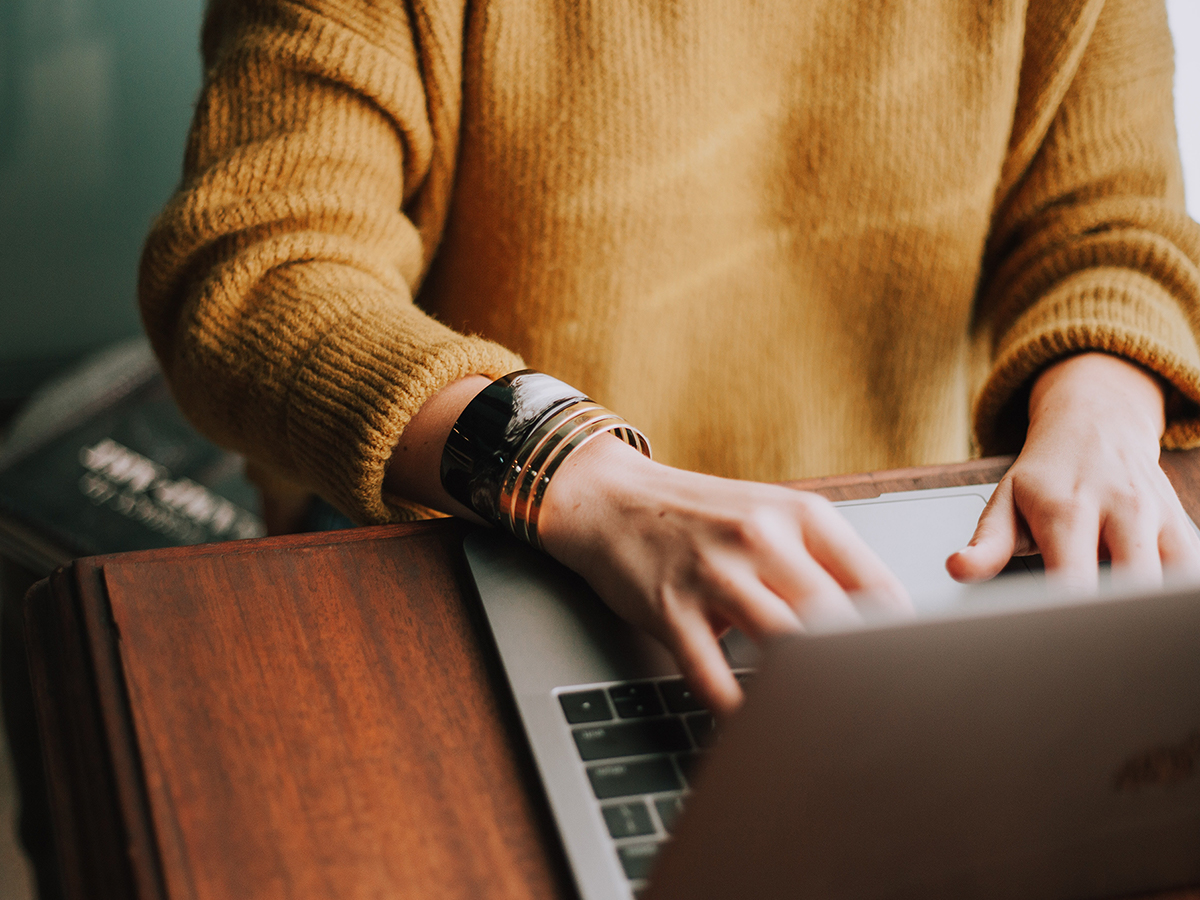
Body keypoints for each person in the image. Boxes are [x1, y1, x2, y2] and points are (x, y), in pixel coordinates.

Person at [140, 0, 1200, 714]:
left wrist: (1103, 413)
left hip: (891, 566)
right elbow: (256, 270)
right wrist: (579, 475)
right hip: (483, 544)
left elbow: (1110, 225)